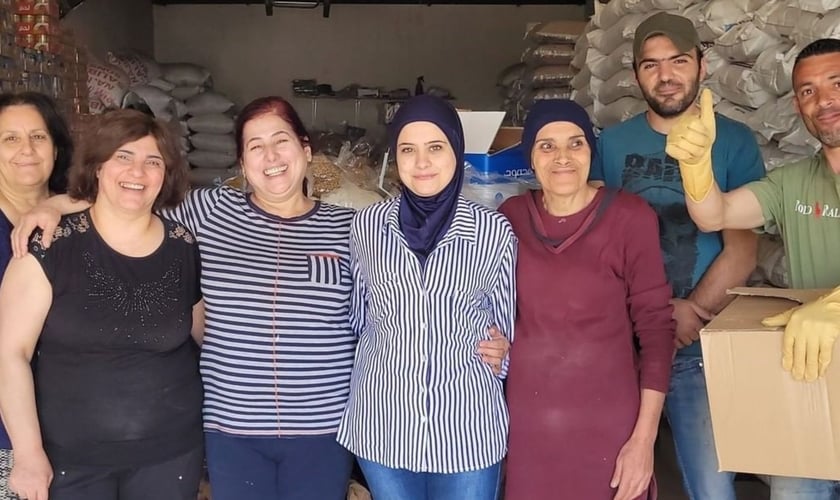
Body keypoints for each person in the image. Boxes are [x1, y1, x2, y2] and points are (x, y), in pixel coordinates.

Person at [11, 95, 511, 500]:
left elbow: (389, 310)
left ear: (306, 148)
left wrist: (497, 343)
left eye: (281, 141)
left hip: (321, 429)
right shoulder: (208, 214)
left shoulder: (352, 227)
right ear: (242, 163)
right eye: (255, 146)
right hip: (232, 429)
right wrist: (51, 205)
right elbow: (133, 192)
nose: (271, 157)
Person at [588, 12, 763, 500]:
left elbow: (743, 246)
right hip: (622, 343)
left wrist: (690, 312)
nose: (666, 76)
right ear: (637, 75)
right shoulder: (614, 144)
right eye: (651, 65)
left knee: (712, 487)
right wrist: (642, 316)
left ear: (702, 67)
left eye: (678, 61)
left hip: (697, 343)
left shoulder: (733, 141)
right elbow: (597, 243)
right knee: (612, 479)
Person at [667, 37, 840, 500]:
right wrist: (697, 166)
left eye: (835, 83)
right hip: (813, 387)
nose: (823, 100)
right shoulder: (793, 183)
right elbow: (715, 215)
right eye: (807, 91)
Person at [0, 109, 204, 500]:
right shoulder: (49, 245)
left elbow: (201, 331)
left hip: (170, 455)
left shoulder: (183, 245)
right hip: (71, 460)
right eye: (122, 157)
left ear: (166, 175)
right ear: (97, 168)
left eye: (153, 161)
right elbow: (11, 353)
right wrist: (27, 454)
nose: (137, 172)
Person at [336, 94, 516, 500]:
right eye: (408, 149)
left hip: (466, 429)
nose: (422, 163)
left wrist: (502, 351)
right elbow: (358, 318)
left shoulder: (492, 232)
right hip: (383, 423)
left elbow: (504, 327)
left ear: (456, 150)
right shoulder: (367, 227)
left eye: (435, 147)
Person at [499, 99, 673, 499]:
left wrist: (643, 441)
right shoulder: (510, 217)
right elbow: (484, 303)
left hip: (608, 428)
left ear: (590, 152)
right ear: (530, 157)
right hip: (528, 431)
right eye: (547, 146)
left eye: (575, 143)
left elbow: (656, 329)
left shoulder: (629, 217)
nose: (562, 157)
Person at [0, 91, 72, 499]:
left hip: (73, 425)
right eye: (10, 139)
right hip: (9, 436)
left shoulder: (78, 219)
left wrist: (58, 204)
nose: (26, 150)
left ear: (56, 146)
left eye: (38, 137)